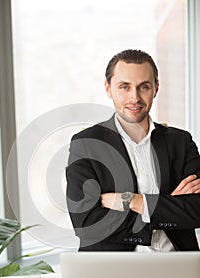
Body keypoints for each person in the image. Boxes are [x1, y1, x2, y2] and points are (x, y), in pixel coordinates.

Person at [66, 49, 200, 252]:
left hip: (178, 263)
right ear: (108, 88)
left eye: (143, 87)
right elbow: (86, 223)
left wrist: (134, 201)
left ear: (156, 88)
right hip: (114, 268)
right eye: (124, 87)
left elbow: (197, 210)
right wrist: (167, 208)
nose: (134, 97)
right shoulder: (86, 144)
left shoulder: (180, 141)